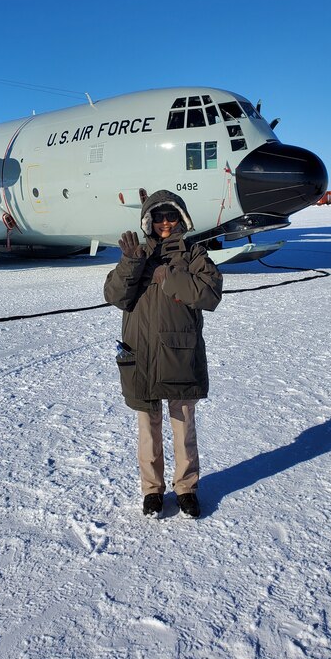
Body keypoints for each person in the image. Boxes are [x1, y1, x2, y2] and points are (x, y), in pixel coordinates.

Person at [103, 189, 222, 518]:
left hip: (179, 352)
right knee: (148, 428)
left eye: (171, 216)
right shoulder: (137, 253)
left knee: (183, 425)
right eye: (158, 217)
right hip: (140, 352)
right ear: (148, 220)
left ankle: (186, 487)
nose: (165, 223)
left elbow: (210, 293)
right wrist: (130, 263)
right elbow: (115, 295)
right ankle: (152, 490)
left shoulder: (193, 253)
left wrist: (167, 276)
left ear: (181, 218)